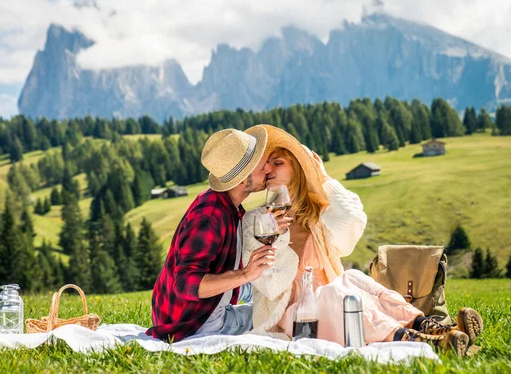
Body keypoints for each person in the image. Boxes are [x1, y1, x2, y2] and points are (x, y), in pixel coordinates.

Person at [242, 125, 483, 357]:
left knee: (353, 278)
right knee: (335, 292)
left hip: (336, 302)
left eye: (278, 163)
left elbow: (352, 224)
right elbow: (269, 284)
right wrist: (279, 236)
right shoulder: (256, 221)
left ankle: (435, 328)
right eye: (266, 165)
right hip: (291, 316)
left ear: (298, 168)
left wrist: (324, 179)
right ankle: (415, 340)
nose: (269, 170)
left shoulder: (316, 214)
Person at [147, 126, 285, 342]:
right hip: (193, 324)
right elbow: (185, 283)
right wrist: (245, 275)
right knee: (283, 316)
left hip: (200, 312)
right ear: (242, 179)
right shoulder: (209, 217)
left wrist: (271, 223)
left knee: (278, 304)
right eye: (261, 166)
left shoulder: (226, 205)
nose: (268, 169)